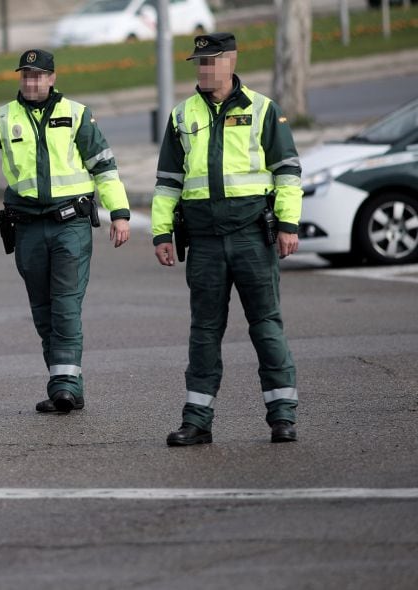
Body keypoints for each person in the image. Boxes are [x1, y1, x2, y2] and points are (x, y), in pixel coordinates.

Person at [0, 49, 131, 414]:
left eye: (39, 75)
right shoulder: (5, 116)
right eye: (26, 75)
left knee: (66, 306)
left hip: (70, 224)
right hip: (26, 227)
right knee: (43, 311)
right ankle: (68, 385)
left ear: (53, 78)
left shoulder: (76, 115)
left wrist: (119, 214)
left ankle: (63, 385)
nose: (32, 81)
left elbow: (104, 166)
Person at [151, 33, 302, 446]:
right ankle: (197, 421)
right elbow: (168, 183)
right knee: (203, 332)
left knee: (266, 327)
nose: (204, 69)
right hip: (204, 242)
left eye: (211, 61)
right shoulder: (182, 115)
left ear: (231, 61)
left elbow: (287, 172)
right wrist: (161, 232)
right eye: (199, 62)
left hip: (253, 237)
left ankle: (282, 417)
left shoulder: (263, 110)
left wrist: (289, 224)